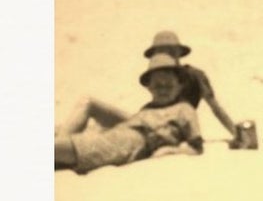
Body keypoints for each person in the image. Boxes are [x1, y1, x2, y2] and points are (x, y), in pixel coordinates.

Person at [55, 50, 203, 171]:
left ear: (179, 86)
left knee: (70, 148)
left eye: (168, 85)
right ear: (149, 88)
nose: (163, 89)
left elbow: (196, 146)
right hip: (118, 135)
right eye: (158, 85)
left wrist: (172, 151)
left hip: (131, 142)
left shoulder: (184, 109)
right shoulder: (149, 108)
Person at [140, 28, 246, 140]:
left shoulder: (195, 76)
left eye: (172, 50)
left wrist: (236, 134)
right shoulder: (152, 76)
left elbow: (215, 107)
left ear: (179, 53)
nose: (168, 55)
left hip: (181, 131)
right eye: (163, 51)